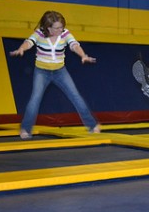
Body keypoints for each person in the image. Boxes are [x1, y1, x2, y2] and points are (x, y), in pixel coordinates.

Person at [10, 11, 100, 139]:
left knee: (75, 96)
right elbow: (29, 42)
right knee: (35, 99)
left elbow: (74, 45)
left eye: (61, 26)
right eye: (57, 28)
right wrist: (22, 49)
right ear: (48, 28)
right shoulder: (40, 33)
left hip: (60, 71)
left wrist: (83, 55)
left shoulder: (65, 33)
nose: (60, 29)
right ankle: (25, 128)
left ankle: (92, 125)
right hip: (42, 71)